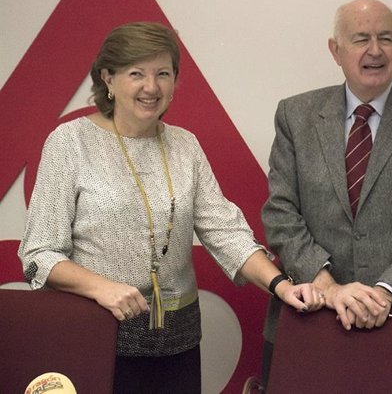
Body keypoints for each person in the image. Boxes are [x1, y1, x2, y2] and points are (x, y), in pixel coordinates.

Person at [18, 22, 323, 393]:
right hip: (94, 339)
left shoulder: (185, 146)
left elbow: (225, 232)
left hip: (177, 346)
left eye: (163, 74)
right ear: (107, 79)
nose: (152, 87)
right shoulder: (70, 142)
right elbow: (40, 253)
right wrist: (102, 288)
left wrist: (280, 286)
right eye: (136, 74)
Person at [261, 0, 392, 371]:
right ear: (335, 50)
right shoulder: (295, 114)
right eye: (360, 39)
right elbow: (280, 212)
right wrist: (329, 287)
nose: (375, 50)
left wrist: (385, 292)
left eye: (385, 38)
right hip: (309, 316)